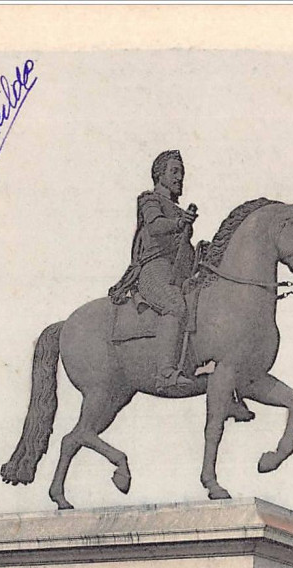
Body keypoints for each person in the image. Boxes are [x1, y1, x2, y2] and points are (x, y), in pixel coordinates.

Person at [110, 149, 197, 392]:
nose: (180, 177)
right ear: (160, 174)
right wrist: (180, 223)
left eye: (182, 173)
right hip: (153, 271)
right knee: (174, 306)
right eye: (174, 171)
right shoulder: (149, 199)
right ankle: (165, 374)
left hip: (179, 273)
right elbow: (156, 226)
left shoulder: (180, 211)